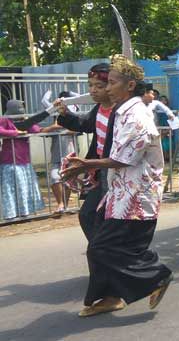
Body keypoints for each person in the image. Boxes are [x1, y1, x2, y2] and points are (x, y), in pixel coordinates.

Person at [62, 54, 172, 317]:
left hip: (136, 198)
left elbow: (122, 158)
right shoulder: (121, 112)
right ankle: (111, 295)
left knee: (103, 247)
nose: (106, 88)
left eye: (111, 83)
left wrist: (85, 165)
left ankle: (156, 276)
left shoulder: (137, 117)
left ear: (130, 85)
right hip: (118, 192)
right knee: (100, 242)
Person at [56, 63, 114, 240]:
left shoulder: (124, 112)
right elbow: (84, 124)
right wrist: (65, 114)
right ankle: (101, 252)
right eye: (90, 85)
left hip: (118, 172)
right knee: (88, 214)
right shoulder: (99, 109)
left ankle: (105, 253)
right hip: (100, 171)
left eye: (99, 86)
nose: (93, 90)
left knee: (105, 217)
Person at [0, 100, 45, 220]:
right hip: (10, 161)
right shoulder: (5, 119)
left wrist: (28, 121)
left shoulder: (22, 120)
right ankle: (11, 214)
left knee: (24, 188)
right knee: (11, 189)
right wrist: (15, 132)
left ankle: (25, 212)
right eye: (20, 107)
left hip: (24, 160)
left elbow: (35, 129)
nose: (22, 109)